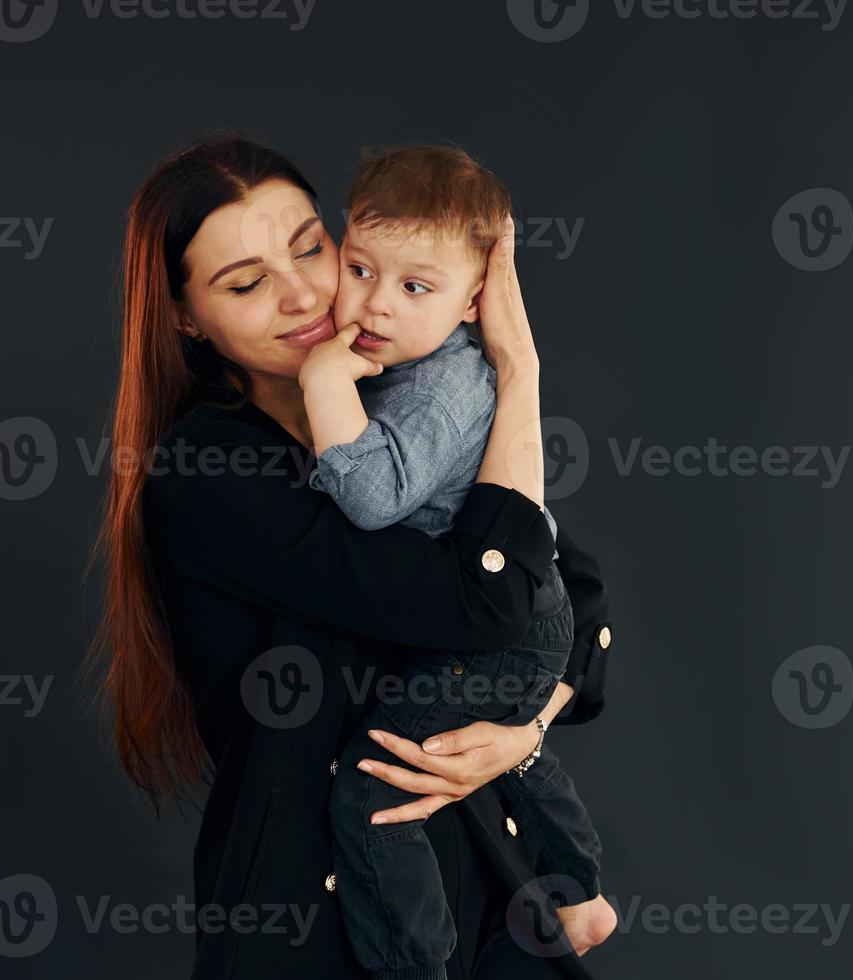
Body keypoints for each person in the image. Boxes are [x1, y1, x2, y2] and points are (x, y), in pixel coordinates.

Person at [89, 132, 618, 979]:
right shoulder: (208, 474)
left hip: (491, 890)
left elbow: (572, 588)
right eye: (246, 282)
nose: (302, 295)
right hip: (321, 929)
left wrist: (521, 728)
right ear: (187, 315)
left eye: (311, 248)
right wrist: (518, 374)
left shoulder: (399, 395)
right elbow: (488, 600)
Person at [302, 145, 603, 980]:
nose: (375, 304)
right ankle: (579, 887)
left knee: (377, 787)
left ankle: (415, 965)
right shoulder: (418, 366)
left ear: (476, 301)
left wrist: (325, 377)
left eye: (415, 287)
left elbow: (369, 498)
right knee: (493, 746)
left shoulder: (444, 388)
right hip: (521, 617)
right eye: (359, 267)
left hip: (505, 629)